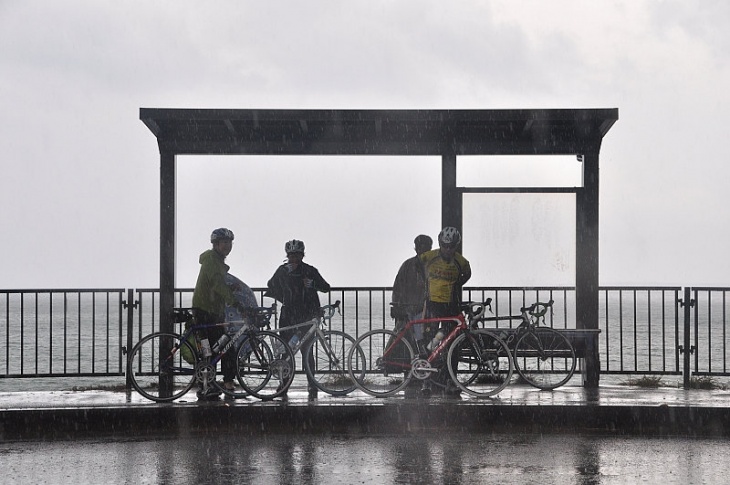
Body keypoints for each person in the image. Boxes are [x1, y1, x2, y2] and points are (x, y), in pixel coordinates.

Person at [265, 239, 331, 399]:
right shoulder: (282, 270)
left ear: (302, 255)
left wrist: (313, 284)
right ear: (287, 256)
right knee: (285, 351)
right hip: (288, 315)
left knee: (307, 351)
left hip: (307, 315)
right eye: (291, 256)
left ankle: (312, 384)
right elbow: (270, 285)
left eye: (297, 255)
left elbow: (326, 287)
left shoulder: (310, 270)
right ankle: (284, 384)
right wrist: (283, 274)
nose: (294, 259)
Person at [192, 227, 247, 400]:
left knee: (218, 348)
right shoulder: (211, 260)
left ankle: (217, 384)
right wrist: (235, 302)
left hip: (212, 310)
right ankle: (208, 386)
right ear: (215, 244)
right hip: (204, 310)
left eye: (230, 242)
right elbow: (217, 284)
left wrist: (231, 289)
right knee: (212, 350)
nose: (228, 246)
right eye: (224, 242)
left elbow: (216, 284)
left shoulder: (216, 260)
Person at [419, 226, 472, 395]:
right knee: (430, 344)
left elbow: (467, 274)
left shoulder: (461, 262)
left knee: (452, 346)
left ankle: (451, 381)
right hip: (432, 306)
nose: (448, 250)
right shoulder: (429, 257)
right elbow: (417, 265)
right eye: (444, 246)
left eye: (451, 247)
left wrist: (456, 284)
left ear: (456, 246)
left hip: (451, 306)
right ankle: (426, 382)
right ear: (440, 244)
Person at [391, 234, 432, 397]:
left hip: (424, 311)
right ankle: (415, 378)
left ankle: (421, 378)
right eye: (420, 246)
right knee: (414, 344)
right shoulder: (409, 266)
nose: (421, 249)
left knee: (423, 345)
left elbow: (397, 287)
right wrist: (396, 306)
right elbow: (398, 287)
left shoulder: (411, 265)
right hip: (413, 311)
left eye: (424, 246)